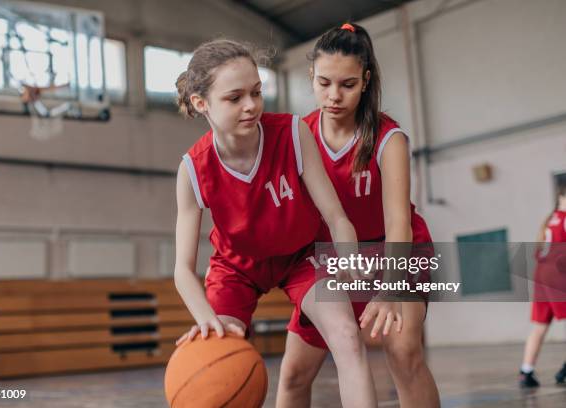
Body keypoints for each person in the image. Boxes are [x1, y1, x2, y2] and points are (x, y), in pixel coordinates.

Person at [173, 39, 397, 407]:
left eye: (256, 93)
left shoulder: (293, 133)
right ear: (202, 103)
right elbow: (182, 269)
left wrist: (348, 258)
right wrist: (206, 319)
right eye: (234, 98)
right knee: (213, 364)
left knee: (346, 335)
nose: (250, 106)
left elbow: (337, 217)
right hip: (237, 268)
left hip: (300, 257)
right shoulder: (192, 170)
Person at [276, 23, 440, 408]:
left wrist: (387, 288)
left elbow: (398, 222)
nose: (334, 95)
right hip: (334, 258)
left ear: (366, 80)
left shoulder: (388, 138)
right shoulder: (299, 138)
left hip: (395, 250)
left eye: (347, 84)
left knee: (404, 354)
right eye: (324, 83)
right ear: (311, 77)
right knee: (294, 373)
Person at [519, 184, 566, 387]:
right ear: (562, 197)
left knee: (540, 326)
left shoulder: (549, 220)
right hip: (556, 275)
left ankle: (526, 371)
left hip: (541, 275)